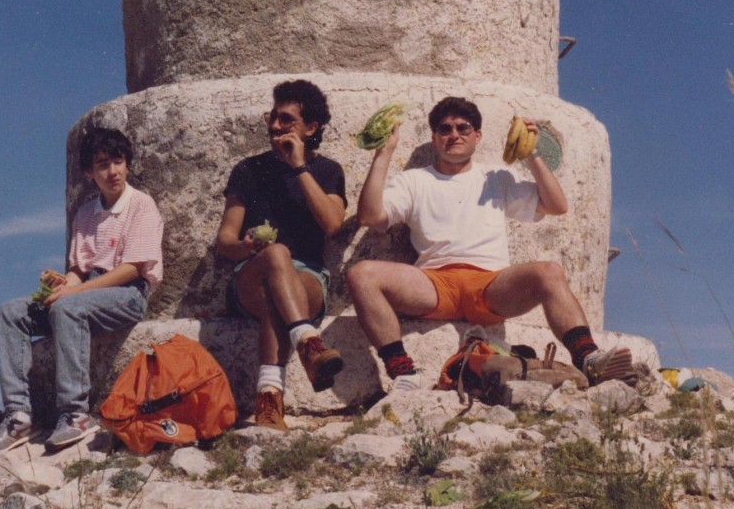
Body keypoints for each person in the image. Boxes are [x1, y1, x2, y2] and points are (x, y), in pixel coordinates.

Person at [346, 96, 633, 391]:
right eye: (445, 129)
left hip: (490, 287)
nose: (454, 135)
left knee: (550, 271)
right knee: (362, 274)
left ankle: (588, 358)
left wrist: (532, 154)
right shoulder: (413, 181)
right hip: (433, 285)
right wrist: (383, 154)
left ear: (477, 136)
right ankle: (403, 372)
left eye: (463, 128)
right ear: (434, 137)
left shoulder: (496, 178)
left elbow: (557, 205)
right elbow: (369, 216)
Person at [0, 128, 164, 453]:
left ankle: (75, 413)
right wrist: (64, 285)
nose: (113, 172)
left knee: (67, 307)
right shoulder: (85, 214)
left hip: (129, 293)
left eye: (118, 162)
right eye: (103, 165)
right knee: (11, 312)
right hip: (91, 290)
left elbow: (132, 268)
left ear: (128, 164)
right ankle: (18, 415)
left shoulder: (141, 205)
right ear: (89, 173)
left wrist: (73, 294)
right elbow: (79, 272)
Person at [215, 80, 347, 431]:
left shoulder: (326, 171)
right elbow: (224, 240)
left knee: (279, 296)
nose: (275, 126)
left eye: (286, 120)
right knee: (276, 254)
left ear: (310, 128)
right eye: (273, 117)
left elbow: (333, 223)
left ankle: (269, 400)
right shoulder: (248, 170)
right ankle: (308, 341)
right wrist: (244, 247)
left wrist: (299, 168)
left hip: (307, 278)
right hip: (252, 272)